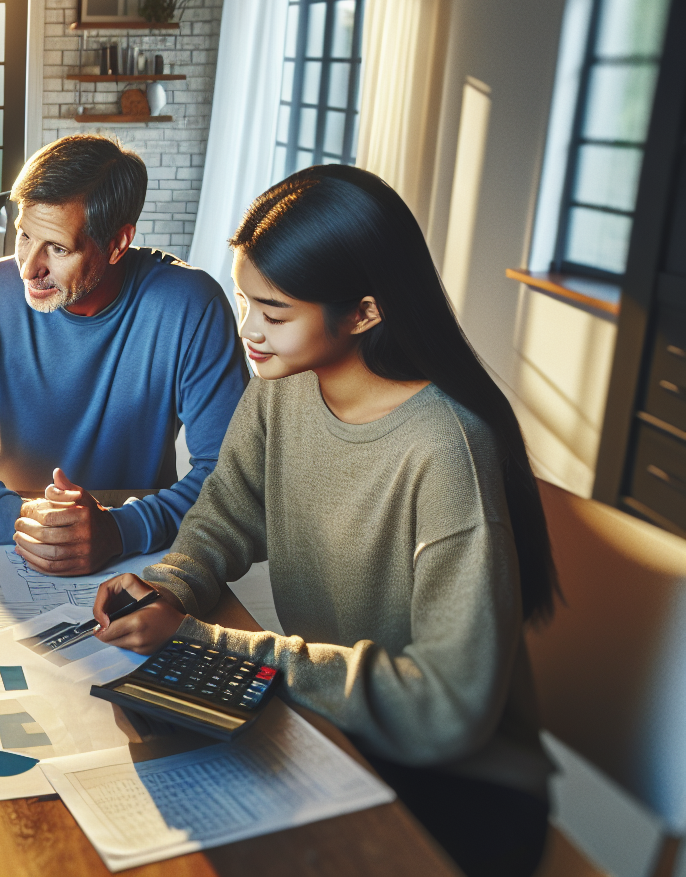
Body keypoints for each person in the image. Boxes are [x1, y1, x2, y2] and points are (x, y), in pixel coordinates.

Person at [93, 165, 557, 877]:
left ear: (365, 312)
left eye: (273, 313)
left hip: (455, 786)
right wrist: (169, 585)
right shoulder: (285, 384)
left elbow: (446, 707)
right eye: (248, 302)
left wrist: (207, 643)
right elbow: (228, 513)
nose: (249, 331)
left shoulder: (446, 448)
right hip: (330, 728)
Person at [0, 134, 250, 575]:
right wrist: (15, 519)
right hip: (13, 541)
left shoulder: (191, 305)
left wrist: (121, 530)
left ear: (116, 244)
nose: (28, 268)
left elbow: (230, 477)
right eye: (24, 235)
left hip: (137, 554)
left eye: (57, 248)